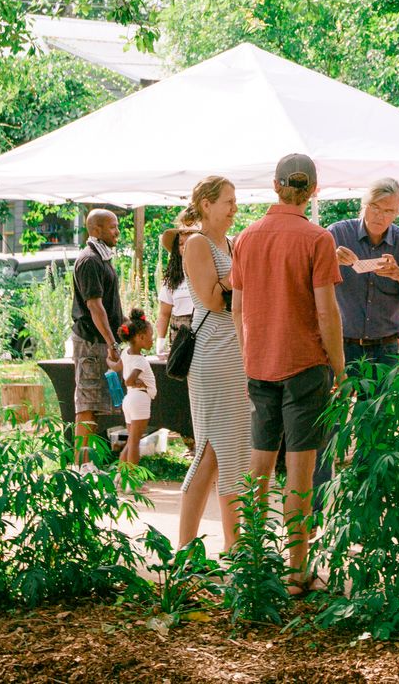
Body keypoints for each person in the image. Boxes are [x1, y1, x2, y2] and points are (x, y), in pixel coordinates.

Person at [228, 154, 342, 595]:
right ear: (313, 189)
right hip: (305, 365)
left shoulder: (247, 237)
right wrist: (339, 365)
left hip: (260, 363)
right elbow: (326, 310)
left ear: (275, 186)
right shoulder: (318, 238)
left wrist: (248, 355)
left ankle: (253, 562)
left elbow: (237, 309)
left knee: (258, 465)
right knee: (300, 471)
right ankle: (297, 571)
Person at [177, 176, 250, 552]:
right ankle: (185, 547)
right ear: (206, 204)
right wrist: (246, 270)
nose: (234, 208)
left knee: (235, 452)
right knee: (208, 450)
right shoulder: (196, 243)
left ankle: (234, 545)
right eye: (228, 201)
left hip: (237, 355)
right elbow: (213, 300)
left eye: (235, 201)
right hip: (212, 354)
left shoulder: (234, 244)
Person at [328, 178, 399, 374]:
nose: (381, 216)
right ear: (364, 205)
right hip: (341, 343)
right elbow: (309, 278)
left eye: (389, 211)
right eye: (375, 207)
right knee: (337, 404)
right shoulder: (337, 234)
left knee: (380, 405)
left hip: (385, 348)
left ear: (397, 213)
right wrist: (330, 261)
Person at [70, 208, 126, 468]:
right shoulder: (90, 260)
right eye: (113, 227)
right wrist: (111, 343)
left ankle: (90, 462)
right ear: (96, 230)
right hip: (92, 343)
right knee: (88, 403)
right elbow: (95, 306)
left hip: (102, 341)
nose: (117, 231)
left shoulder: (102, 258)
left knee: (96, 402)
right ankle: (82, 465)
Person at [156, 210, 200, 353]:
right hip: (179, 341)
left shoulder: (212, 272)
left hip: (206, 338)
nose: (185, 247)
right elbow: (164, 313)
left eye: (190, 242)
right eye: (181, 243)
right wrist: (160, 341)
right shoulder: (172, 279)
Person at [117, 313, 158, 465]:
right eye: (150, 336)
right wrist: (142, 384)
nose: (152, 340)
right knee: (134, 443)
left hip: (129, 400)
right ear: (140, 337)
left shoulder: (125, 353)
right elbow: (129, 381)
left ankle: (121, 477)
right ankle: (132, 482)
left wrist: (109, 359)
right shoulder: (140, 360)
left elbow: (117, 366)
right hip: (139, 400)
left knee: (130, 441)